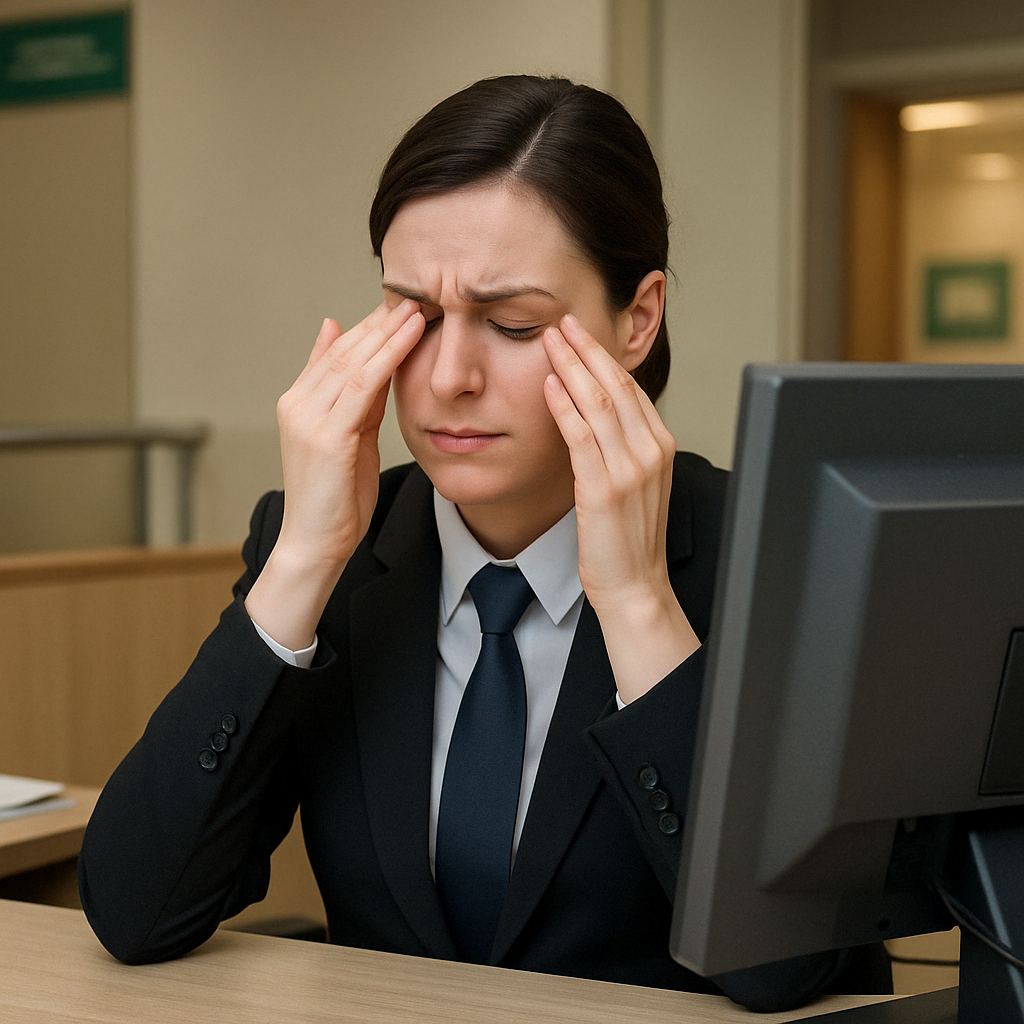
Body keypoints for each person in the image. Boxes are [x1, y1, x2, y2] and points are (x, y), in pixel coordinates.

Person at [78, 75, 887, 1011]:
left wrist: (637, 605)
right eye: (415, 316)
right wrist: (302, 559)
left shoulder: (774, 552)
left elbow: (789, 967)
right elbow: (135, 911)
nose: (448, 377)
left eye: (512, 324)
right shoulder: (331, 550)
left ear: (638, 318)